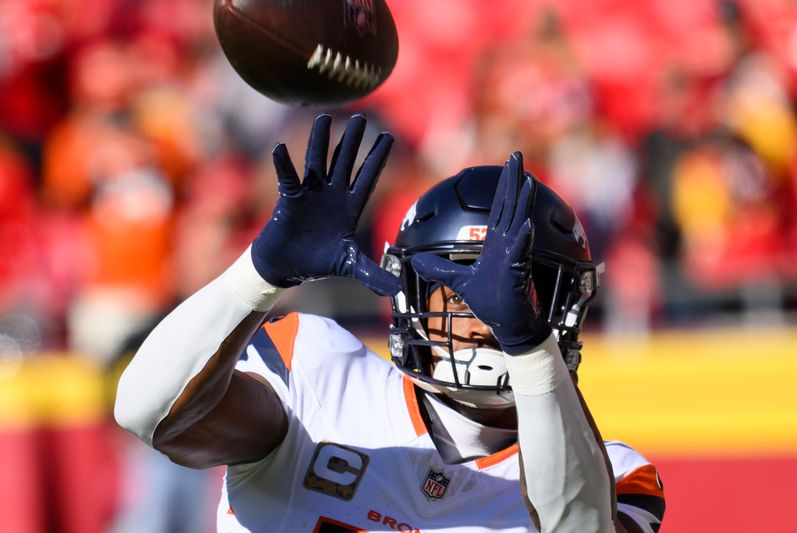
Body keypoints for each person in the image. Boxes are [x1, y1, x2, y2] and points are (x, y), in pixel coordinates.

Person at [115, 114, 665, 532]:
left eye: (516, 287)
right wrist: (257, 274)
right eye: (456, 289)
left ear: (563, 306)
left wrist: (527, 345)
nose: (480, 313)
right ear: (412, 295)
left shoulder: (616, 476)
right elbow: (148, 411)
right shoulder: (318, 367)